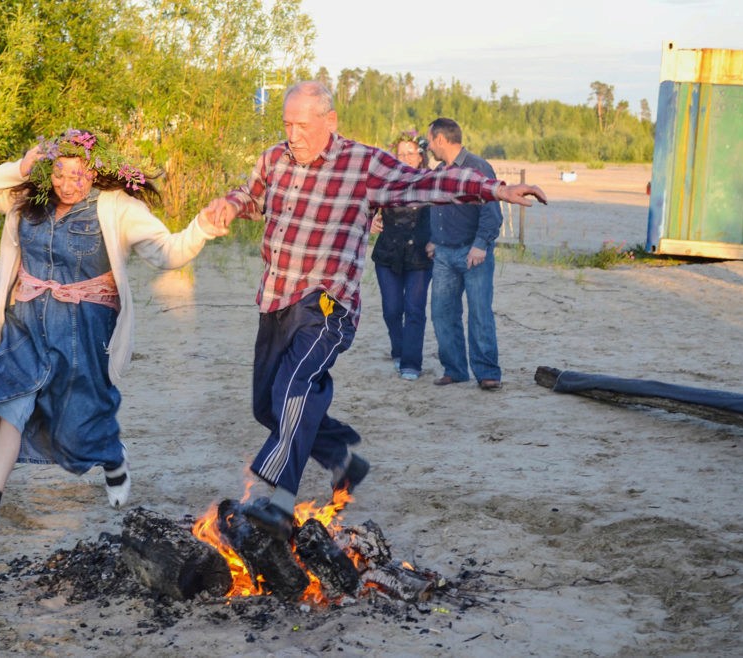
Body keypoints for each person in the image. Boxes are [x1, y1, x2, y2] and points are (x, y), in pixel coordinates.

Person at [203, 81, 546, 541]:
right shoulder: (274, 159)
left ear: (330, 121)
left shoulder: (362, 164)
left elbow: (426, 182)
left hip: (327, 303)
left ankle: (281, 504)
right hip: (276, 298)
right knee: (267, 406)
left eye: (302, 125)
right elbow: (253, 196)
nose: (293, 135)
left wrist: (494, 189)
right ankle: (343, 458)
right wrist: (230, 204)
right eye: (287, 124)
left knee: (294, 388)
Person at [0, 129, 226, 540]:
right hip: (25, 321)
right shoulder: (28, 197)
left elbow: (167, 252)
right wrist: (18, 168)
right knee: (7, 402)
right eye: (58, 173)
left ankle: (112, 456)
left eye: (78, 174)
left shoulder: (116, 208)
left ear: (96, 171)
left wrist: (201, 227)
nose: (67, 184)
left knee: (77, 428)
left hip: (84, 328)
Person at [424, 118, 504, 391]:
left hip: (473, 252)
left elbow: (492, 211)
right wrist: (434, 239)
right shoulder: (439, 171)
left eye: (430, 140)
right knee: (442, 313)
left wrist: (480, 245)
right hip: (444, 253)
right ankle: (455, 369)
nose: (429, 146)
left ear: (441, 140)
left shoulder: (478, 167)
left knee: (480, 313)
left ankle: (487, 373)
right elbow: (437, 207)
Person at [370, 130, 433, 381]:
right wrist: (371, 221)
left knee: (414, 309)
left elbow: (446, 212)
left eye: (411, 153)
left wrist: (437, 240)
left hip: (420, 254)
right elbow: (365, 206)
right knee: (392, 309)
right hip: (388, 253)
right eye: (400, 154)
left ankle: (411, 363)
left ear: (420, 156)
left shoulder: (431, 180)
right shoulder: (384, 181)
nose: (406, 158)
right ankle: (398, 350)